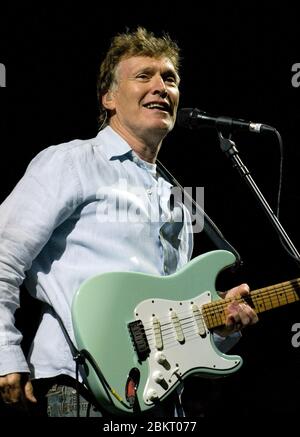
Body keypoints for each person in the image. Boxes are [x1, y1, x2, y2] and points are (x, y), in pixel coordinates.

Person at [0, 26, 258, 418]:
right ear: (109, 98)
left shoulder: (178, 202)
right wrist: (5, 353)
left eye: (169, 78)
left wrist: (220, 330)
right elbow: (3, 257)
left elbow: (170, 328)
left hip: (157, 397)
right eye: (144, 76)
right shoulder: (71, 163)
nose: (160, 87)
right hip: (77, 387)